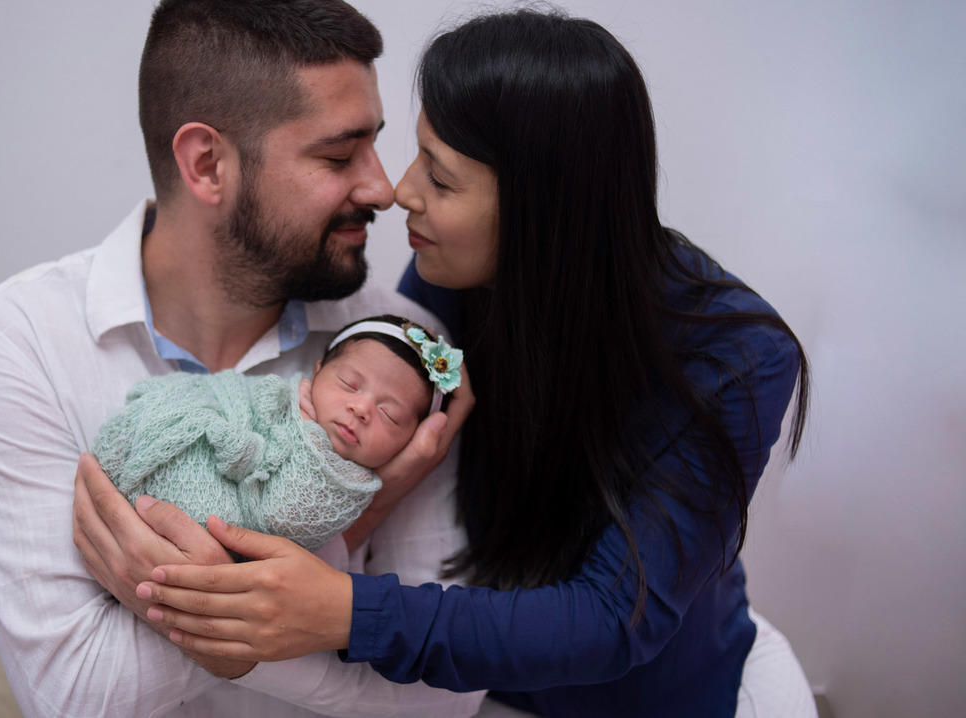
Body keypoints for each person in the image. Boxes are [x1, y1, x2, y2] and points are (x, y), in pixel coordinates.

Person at [127, 9, 817, 718]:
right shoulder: (454, 279)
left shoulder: (739, 355)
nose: (400, 191)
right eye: (418, 154)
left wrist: (345, 612)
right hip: (473, 686)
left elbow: (615, 619)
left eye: (441, 177)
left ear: (543, 208)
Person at [0, 1, 483, 716]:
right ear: (207, 164)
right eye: (337, 155)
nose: (383, 187)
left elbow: (448, 694)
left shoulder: (403, 360)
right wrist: (340, 541)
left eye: (375, 146)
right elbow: (78, 694)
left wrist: (215, 616)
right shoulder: (19, 344)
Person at [93, 315, 463, 553]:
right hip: (207, 426)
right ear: (317, 371)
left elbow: (284, 520)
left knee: (209, 513)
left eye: (389, 414)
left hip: (218, 514)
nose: (362, 408)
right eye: (350, 384)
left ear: (410, 442)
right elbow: (235, 395)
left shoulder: (349, 484)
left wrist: (312, 441)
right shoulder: (288, 392)